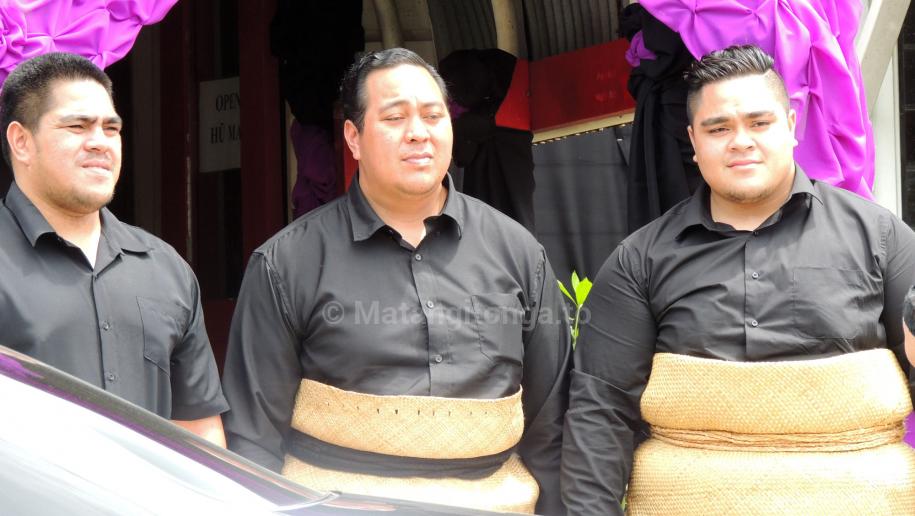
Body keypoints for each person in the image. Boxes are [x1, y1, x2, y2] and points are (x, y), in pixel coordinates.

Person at [561, 45, 915, 515]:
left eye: (759, 122)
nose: (740, 141)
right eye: (718, 128)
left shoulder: (882, 238)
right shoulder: (639, 260)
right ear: (692, 139)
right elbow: (600, 411)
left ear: (791, 124)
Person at [221, 47, 570, 515]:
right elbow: (252, 438)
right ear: (353, 136)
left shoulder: (518, 252)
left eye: (433, 115)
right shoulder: (286, 263)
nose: (418, 134)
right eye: (394, 118)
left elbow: (552, 427)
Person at [0, 52, 228, 445]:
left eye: (111, 128)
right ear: (22, 141)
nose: (100, 143)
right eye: (77, 126)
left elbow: (200, 431)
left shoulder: (165, 268)